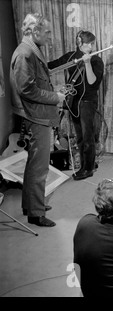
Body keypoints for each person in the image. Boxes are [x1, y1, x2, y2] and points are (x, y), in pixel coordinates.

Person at [9, 13, 66, 227]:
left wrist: (54, 91)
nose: (50, 36)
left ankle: (31, 204)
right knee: (39, 167)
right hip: (36, 116)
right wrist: (55, 97)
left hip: (37, 114)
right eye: (47, 32)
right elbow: (27, 90)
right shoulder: (25, 53)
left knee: (35, 164)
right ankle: (35, 213)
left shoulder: (30, 50)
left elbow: (34, 85)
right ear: (34, 31)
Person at [48, 30, 104, 181]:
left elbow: (92, 82)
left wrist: (87, 63)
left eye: (93, 43)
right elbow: (53, 65)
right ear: (80, 43)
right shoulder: (70, 57)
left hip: (87, 102)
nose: (92, 47)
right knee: (79, 136)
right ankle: (88, 163)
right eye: (88, 44)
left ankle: (88, 168)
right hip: (73, 101)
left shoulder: (96, 60)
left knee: (88, 136)